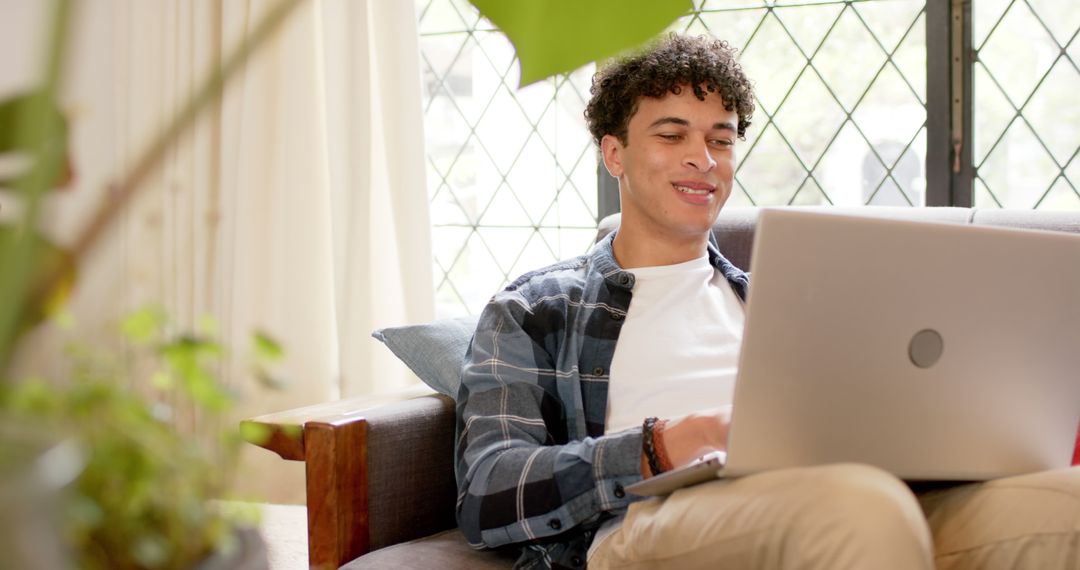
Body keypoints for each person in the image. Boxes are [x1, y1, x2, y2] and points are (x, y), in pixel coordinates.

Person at [454, 33, 1080, 570]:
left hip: (842, 490)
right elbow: (486, 490)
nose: (703, 160)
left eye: (721, 141)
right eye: (672, 135)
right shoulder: (537, 307)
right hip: (649, 521)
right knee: (858, 507)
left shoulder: (782, 299)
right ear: (614, 152)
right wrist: (666, 443)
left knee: (1062, 502)